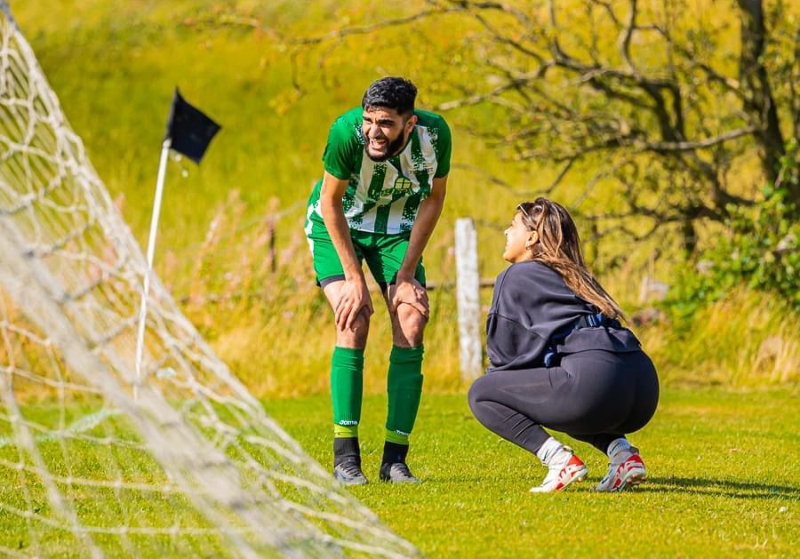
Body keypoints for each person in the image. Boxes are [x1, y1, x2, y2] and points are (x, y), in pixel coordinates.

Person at [304, 77, 451, 484]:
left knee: (411, 320)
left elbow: (434, 200)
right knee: (354, 320)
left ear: (410, 123)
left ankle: (395, 461)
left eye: (385, 123)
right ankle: (346, 460)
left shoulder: (436, 136)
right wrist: (354, 279)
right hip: (339, 227)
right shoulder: (344, 132)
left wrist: (405, 275)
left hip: (395, 229)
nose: (373, 131)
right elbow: (330, 204)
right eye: (369, 120)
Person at [468, 198, 659, 493]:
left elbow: (503, 359)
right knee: (556, 391)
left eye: (513, 226)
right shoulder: (577, 274)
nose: (506, 232)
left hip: (594, 382)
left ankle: (559, 461)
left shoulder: (513, 276)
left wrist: (512, 393)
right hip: (643, 386)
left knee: (482, 392)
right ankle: (623, 454)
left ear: (532, 238)